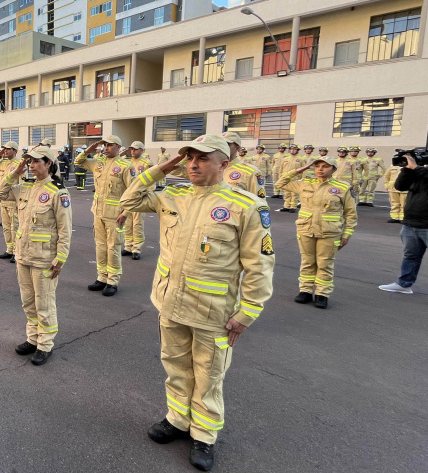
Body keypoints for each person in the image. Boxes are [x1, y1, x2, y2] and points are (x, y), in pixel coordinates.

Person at [119, 134, 274, 472]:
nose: (193, 163)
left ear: (224, 164)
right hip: (170, 304)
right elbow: (128, 201)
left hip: (212, 312)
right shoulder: (173, 196)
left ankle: (204, 434)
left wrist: (247, 312)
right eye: (189, 157)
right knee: (175, 367)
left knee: (208, 375)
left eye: (203, 158)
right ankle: (177, 420)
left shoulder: (246, 206)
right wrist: (162, 168)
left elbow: (260, 266)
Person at [0, 145, 71, 366]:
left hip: (45, 258)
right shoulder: (25, 187)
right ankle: (33, 338)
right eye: (30, 161)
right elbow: (0, 193)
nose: (31, 165)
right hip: (23, 255)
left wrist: (61, 259)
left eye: (37, 161)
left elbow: (65, 229)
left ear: (48, 164)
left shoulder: (58, 192)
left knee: (44, 302)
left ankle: (45, 344)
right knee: (28, 301)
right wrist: (16, 171)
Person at [275, 156, 356, 309]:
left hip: (330, 232)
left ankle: (322, 294)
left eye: (325, 166)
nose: (320, 169)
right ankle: (305, 290)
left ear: (333, 169)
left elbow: (351, 213)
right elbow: (280, 183)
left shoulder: (343, 187)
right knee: (307, 261)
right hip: (306, 229)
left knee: (325, 263)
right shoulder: (305, 184)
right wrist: (299, 170)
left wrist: (347, 235)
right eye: (317, 166)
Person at [75, 135, 134, 296]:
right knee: (100, 246)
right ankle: (102, 277)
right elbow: (78, 162)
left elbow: (133, 192)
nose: (106, 148)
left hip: (116, 215)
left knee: (113, 248)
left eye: (110, 145)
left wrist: (126, 213)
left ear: (119, 147)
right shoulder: (98, 163)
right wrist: (88, 150)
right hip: (98, 212)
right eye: (104, 145)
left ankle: (112, 281)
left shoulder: (125, 166)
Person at [377, 152, 428, 307]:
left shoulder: (424, 172)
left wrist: (416, 168)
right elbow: (400, 186)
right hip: (411, 223)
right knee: (410, 256)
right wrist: (406, 170)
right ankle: (404, 284)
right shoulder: (423, 170)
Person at [119, 141, 152, 259]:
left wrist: (146, 196)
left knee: (137, 224)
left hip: (140, 198)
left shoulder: (147, 163)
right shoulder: (127, 162)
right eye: (132, 149)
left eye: (136, 149)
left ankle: (136, 249)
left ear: (142, 150)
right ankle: (128, 246)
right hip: (128, 198)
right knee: (127, 223)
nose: (133, 151)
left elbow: (151, 181)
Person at [0, 141, 20, 260]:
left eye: (8, 149)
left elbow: (22, 185)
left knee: (15, 228)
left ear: (15, 151)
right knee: (6, 227)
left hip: (14, 202)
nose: (5, 151)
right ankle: (9, 250)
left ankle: (16, 252)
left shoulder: (19, 164)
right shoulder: (1, 163)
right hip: (3, 201)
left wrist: (20, 202)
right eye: (4, 149)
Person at [277, 144, 305, 212]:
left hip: (295, 179)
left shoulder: (300, 159)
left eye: (294, 149)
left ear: (297, 150)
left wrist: (303, 178)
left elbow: (304, 169)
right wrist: (280, 177)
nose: (293, 150)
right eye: (291, 149)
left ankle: (293, 207)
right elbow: (281, 169)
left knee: (294, 194)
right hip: (286, 179)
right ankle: (286, 206)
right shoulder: (285, 159)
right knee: (286, 193)